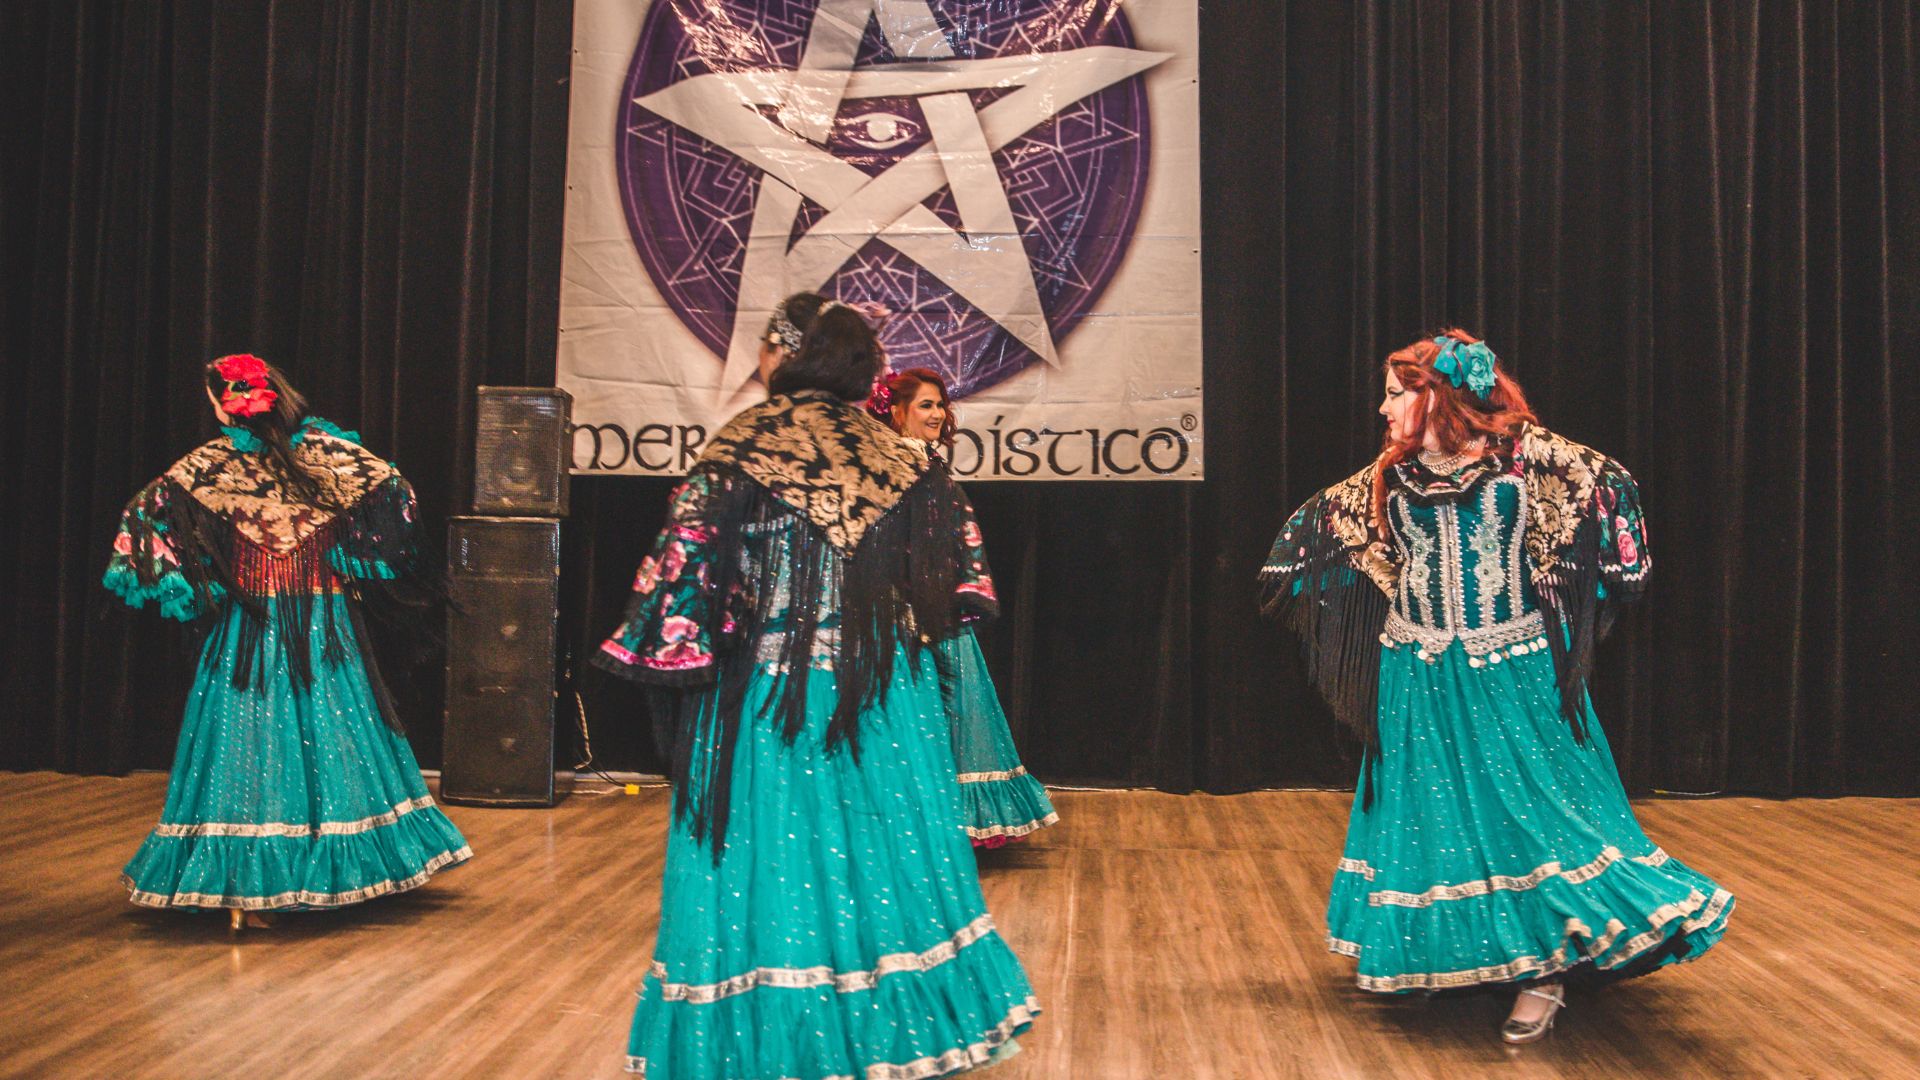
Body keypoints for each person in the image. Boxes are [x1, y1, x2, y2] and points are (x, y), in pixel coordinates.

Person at [596, 296, 1038, 1078]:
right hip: (882, 694)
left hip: (769, 699)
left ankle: (776, 1039)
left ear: (786, 356)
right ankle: (894, 1031)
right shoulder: (900, 456)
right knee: (886, 848)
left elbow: (685, 580)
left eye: (767, 348)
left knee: (775, 859)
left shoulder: (743, 445)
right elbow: (950, 580)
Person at [1258, 330, 1732, 1042]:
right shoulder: (1391, 473)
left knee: (1533, 818)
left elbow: (1607, 483)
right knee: (1431, 819)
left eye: (1396, 394)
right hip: (1416, 668)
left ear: (1435, 395)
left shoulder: (1522, 458)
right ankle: (1440, 953)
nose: (1383, 409)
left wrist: (1590, 569)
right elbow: (1328, 525)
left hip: (1507, 667)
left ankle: (1545, 972)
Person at [104, 354, 469, 928]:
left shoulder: (212, 464)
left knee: (244, 734)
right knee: (334, 728)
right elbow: (397, 494)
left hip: (249, 624)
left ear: (224, 402)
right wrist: (348, 552)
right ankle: (329, 872)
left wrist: (203, 570)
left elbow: (144, 514)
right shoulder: (328, 453)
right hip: (321, 619)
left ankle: (243, 882)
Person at [868, 368, 1058, 848]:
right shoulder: (890, 464)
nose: (937, 413)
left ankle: (943, 827)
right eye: (925, 405)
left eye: (940, 404)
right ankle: (916, 826)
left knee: (955, 708)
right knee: (915, 712)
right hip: (905, 610)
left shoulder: (926, 463)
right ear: (896, 412)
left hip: (938, 605)